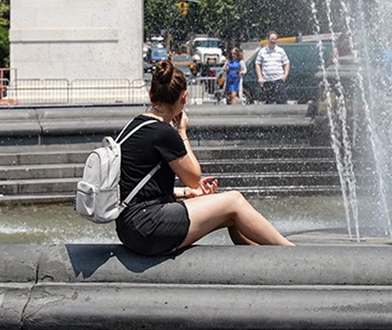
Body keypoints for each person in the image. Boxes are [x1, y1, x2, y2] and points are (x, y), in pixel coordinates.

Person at [114, 61, 293, 256]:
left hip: (129, 226)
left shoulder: (134, 126)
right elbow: (193, 177)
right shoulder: (163, 132)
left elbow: (139, 187)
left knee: (230, 216)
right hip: (149, 227)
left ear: (151, 95)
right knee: (234, 200)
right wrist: (181, 132)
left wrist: (186, 193)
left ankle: (263, 259)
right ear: (183, 98)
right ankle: (292, 253)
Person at [255, 32, 290, 104]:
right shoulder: (262, 51)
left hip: (279, 80)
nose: (273, 41)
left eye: (275, 39)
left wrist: (285, 75)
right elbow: (257, 64)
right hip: (267, 81)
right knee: (269, 102)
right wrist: (260, 77)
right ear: (268, 39)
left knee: (282, 101)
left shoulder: (280, 51)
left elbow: (286, 63)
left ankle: (283, 115)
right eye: (271, 39)